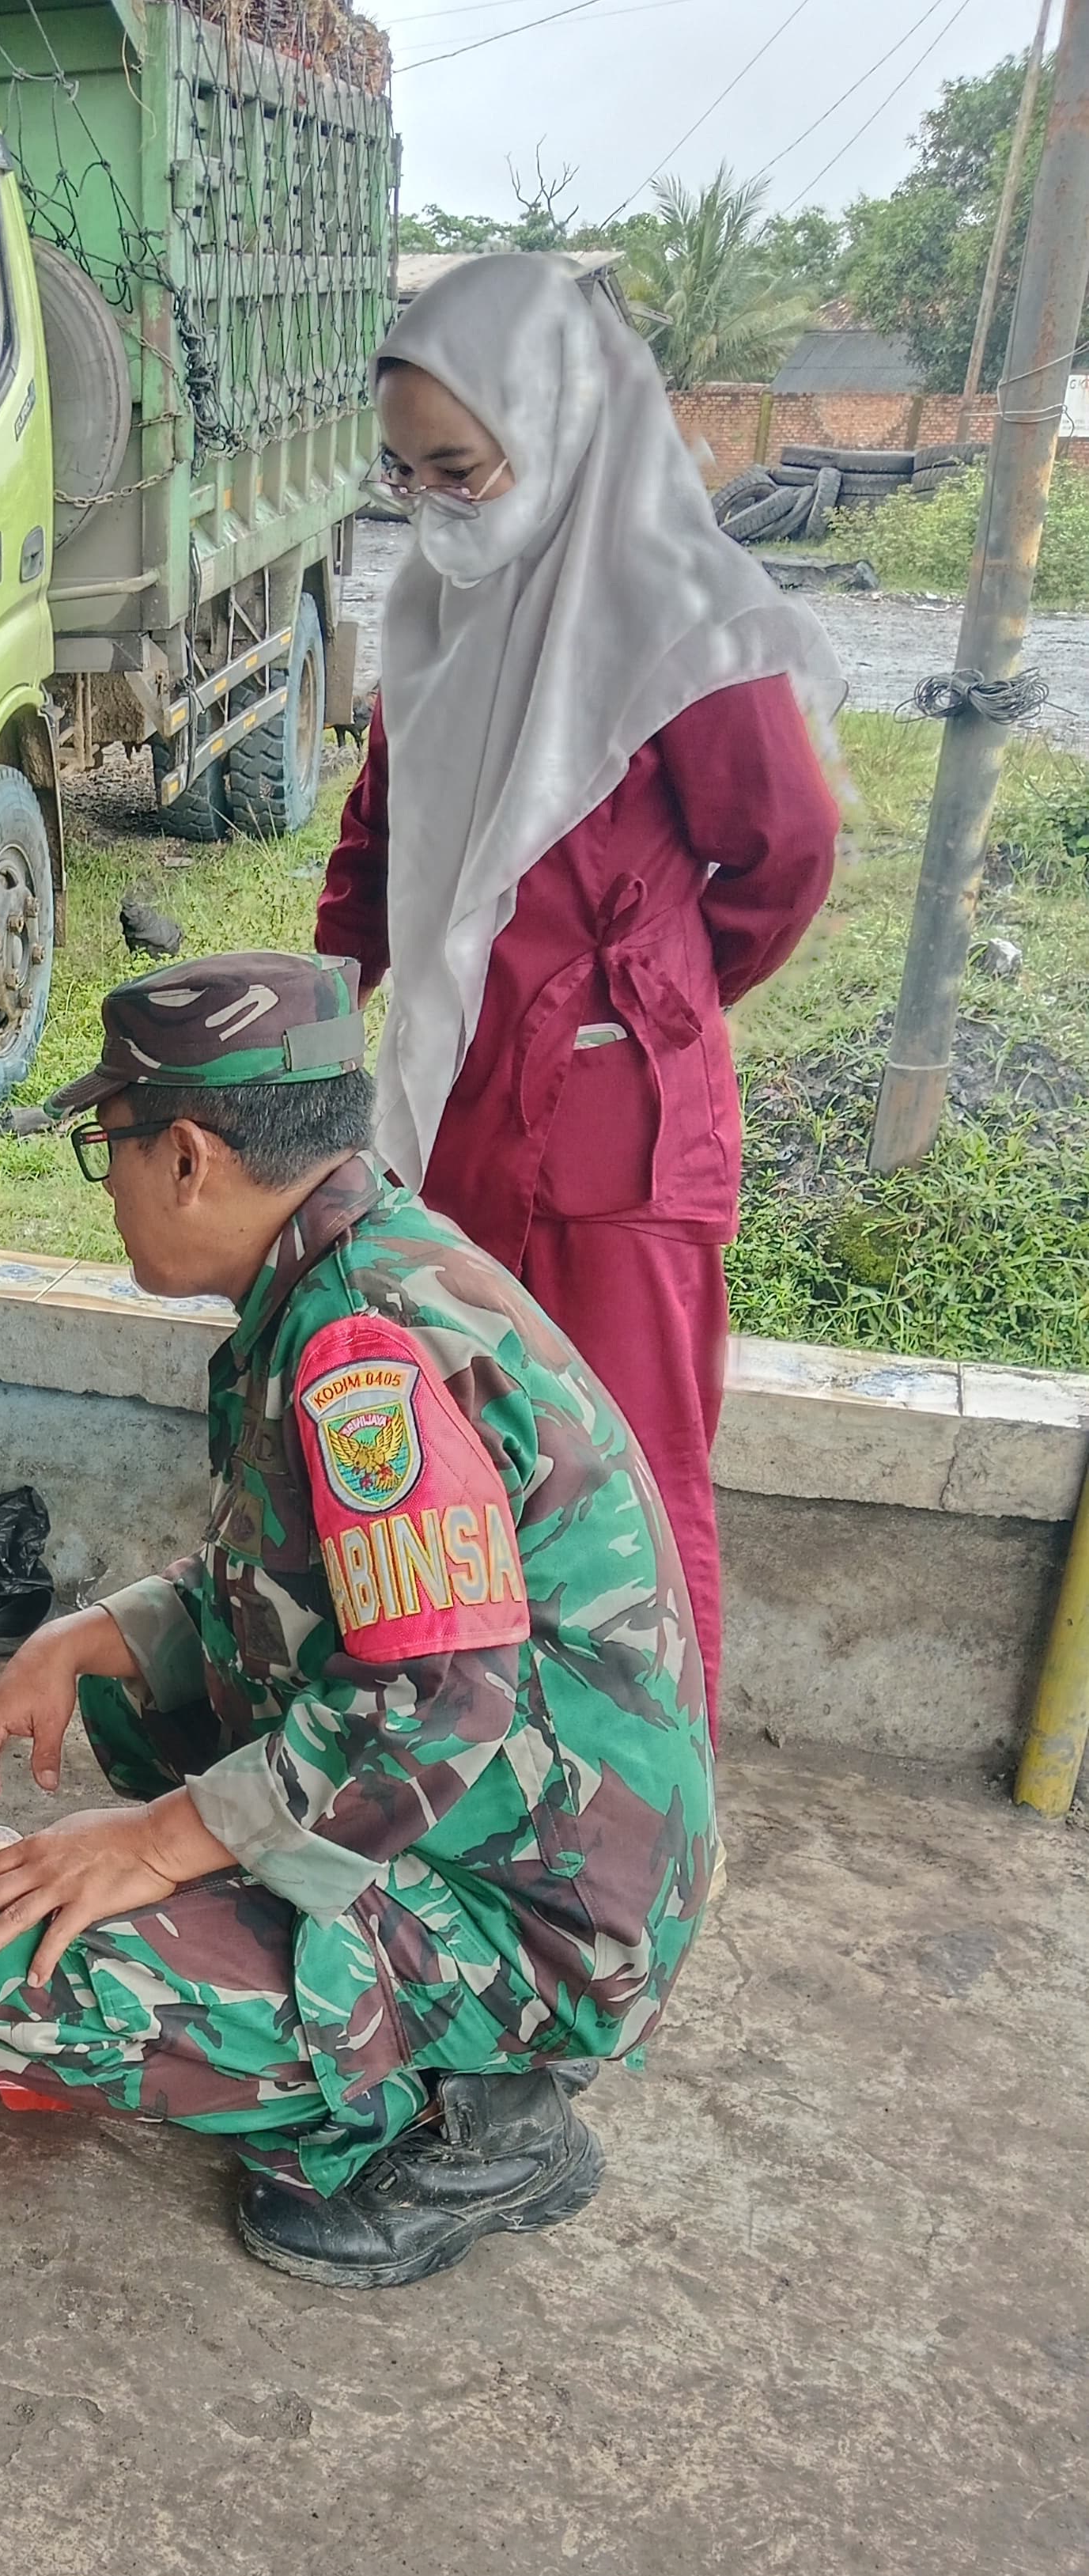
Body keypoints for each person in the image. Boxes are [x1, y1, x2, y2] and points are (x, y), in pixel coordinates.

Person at [0, 955, 715, 2290]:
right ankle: (367, 2002)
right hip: (506, 1817)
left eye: (105, 1148)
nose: (108, 1183)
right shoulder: (353, 1268)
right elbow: (296, 1586)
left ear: (188, 1157)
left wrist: (156, 1843)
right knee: (121, 1698)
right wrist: (81, 1638)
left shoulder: (363, 1349)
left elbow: (433, 1704)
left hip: (539, 1913)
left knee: (1, 1980)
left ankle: (470, 2111)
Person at [315, 253, 843, 1736]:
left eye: (461, 469)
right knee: (473, 1444)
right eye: (407, 473)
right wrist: (329, 985)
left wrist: (646, 1002)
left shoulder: (679, 610)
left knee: (630, 1471)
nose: (432, 505)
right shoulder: (436, 610)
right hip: (461, 1103)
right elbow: (385, 832)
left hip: (616, 1146)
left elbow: (781, 854)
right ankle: (502, 1770)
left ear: (556, 425)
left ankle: (651, 1816)